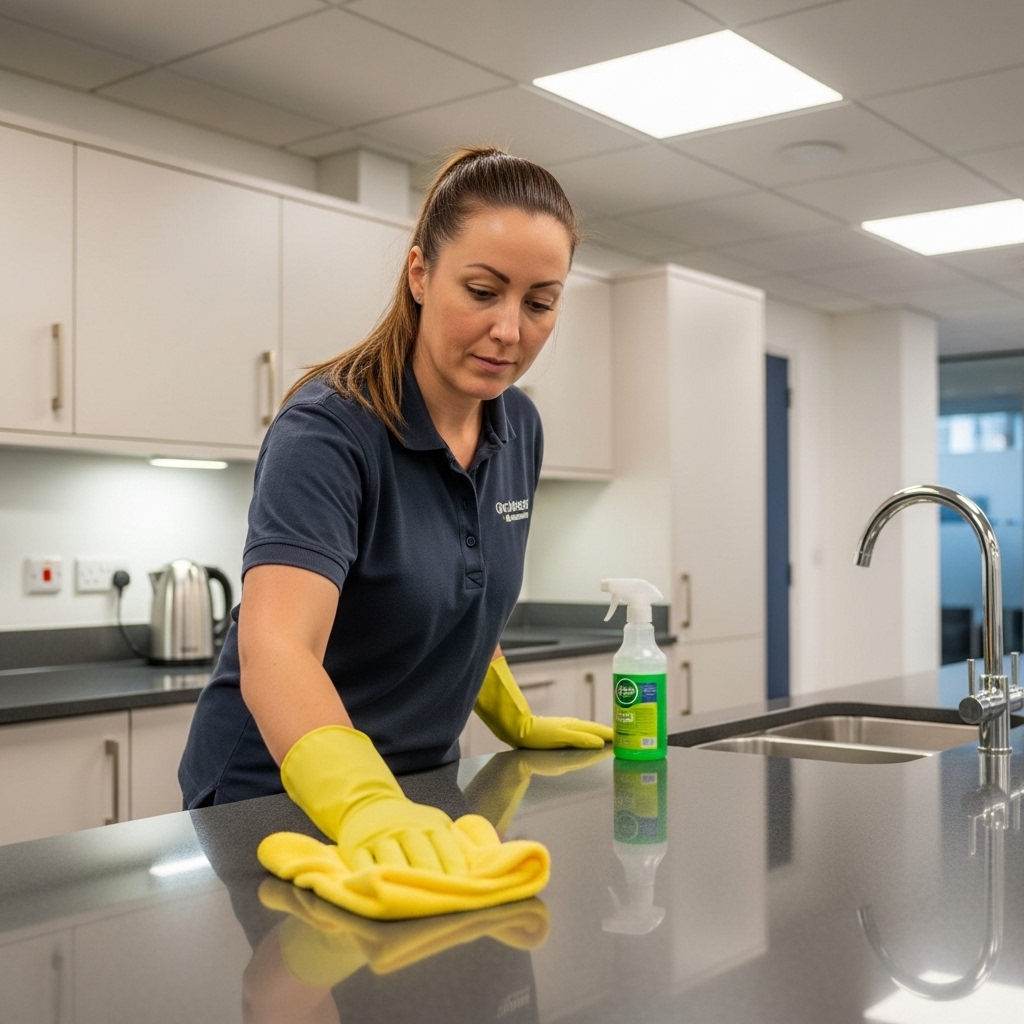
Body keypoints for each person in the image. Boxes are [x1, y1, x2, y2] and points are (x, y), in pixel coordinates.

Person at [178, 147, 612, 904]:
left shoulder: (519, 427)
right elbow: (278, 646)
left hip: (420, 791)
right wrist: (362, 801)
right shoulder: (328, 431)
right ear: (420, 274)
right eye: (482, 291)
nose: (508, 330)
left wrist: (507, 709)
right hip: (275, 798)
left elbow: (461, 586)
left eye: (540, 303)